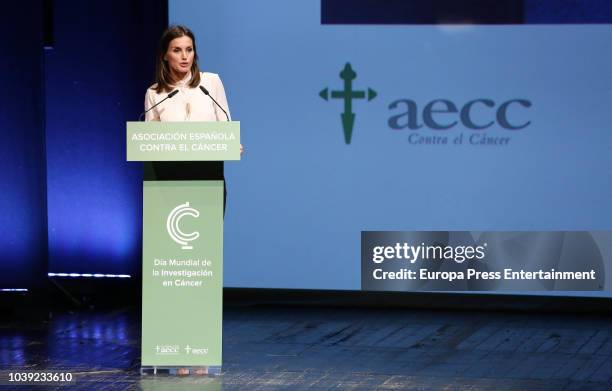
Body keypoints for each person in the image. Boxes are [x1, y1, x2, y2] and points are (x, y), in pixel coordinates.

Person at [143, 25, 242, 211]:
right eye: (177, 50)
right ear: (165, 55)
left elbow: (225, 126)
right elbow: (150, 142)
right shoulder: (154, 93)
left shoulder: (211, 83)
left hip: (209, 178)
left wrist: (232, 144)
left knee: (207, 238)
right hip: (169, 181)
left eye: (189, 49)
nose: (184, 56)